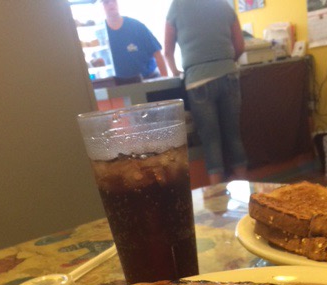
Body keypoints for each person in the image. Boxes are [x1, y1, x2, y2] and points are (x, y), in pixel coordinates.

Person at [164, 0, 247, 185]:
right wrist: (224, 63)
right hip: (228, 76)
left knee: (211, 142)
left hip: (198, 81)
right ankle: (245, 190)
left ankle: (217, 194)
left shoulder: (177, 6)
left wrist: (176, 72)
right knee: (234, 136)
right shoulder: (223, 4)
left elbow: (167, 51)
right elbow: (240, 46)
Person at [101, 0, 168, 83]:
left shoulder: (136, 26)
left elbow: (157, 54)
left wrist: (166, 82)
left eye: (113, 1)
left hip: (147, 80)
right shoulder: (102, 33)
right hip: (118, 85)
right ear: (102, 5)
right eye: (106, 2)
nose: (111, 4)